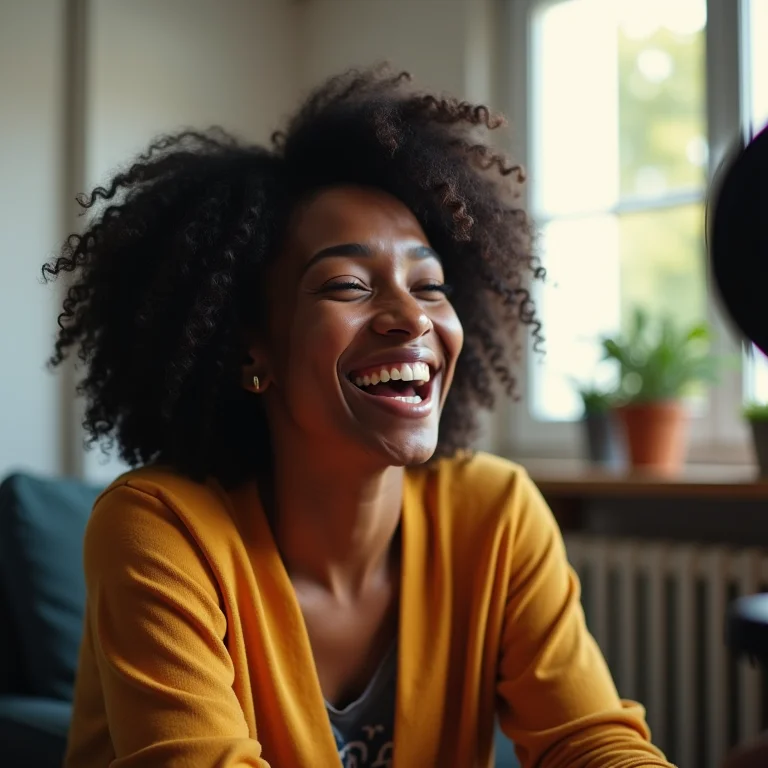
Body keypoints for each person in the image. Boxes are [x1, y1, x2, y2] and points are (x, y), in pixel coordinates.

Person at [45, 67, 673, 767]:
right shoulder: (161, 530)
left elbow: (587, 739)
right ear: (251, 348)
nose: (412, 318)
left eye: (429, 286)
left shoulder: (495, 513)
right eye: (347, 285)